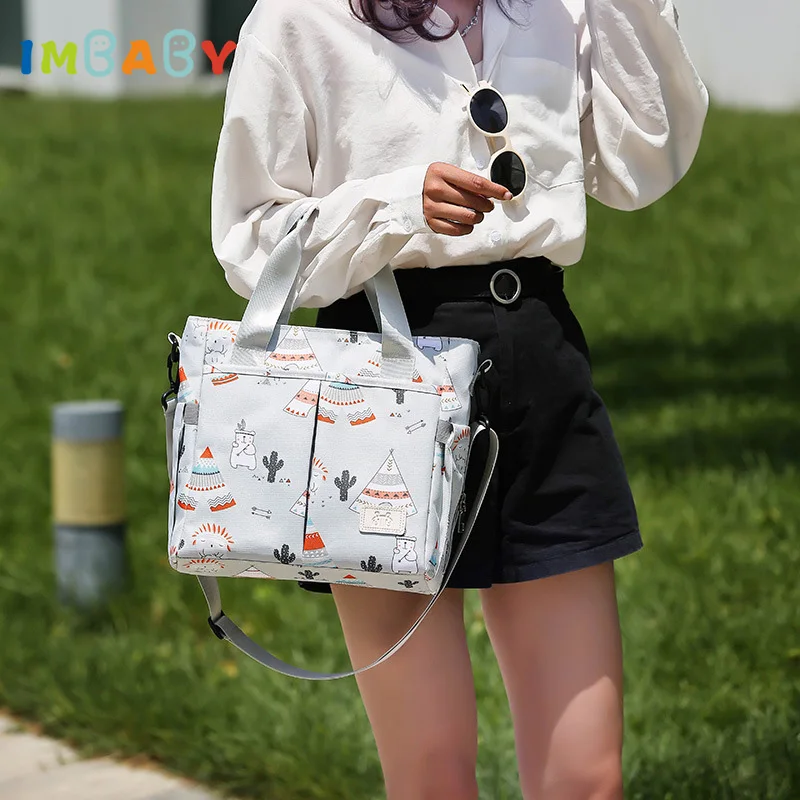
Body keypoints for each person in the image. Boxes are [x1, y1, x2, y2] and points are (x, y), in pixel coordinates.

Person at [210, 0, 708, 796]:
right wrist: (394, 208)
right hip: (380, 385)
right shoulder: (300, 17)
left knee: (587, 778)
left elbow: (646, 157)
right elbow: (250, 238)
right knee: (431, 775)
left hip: (541, 369)